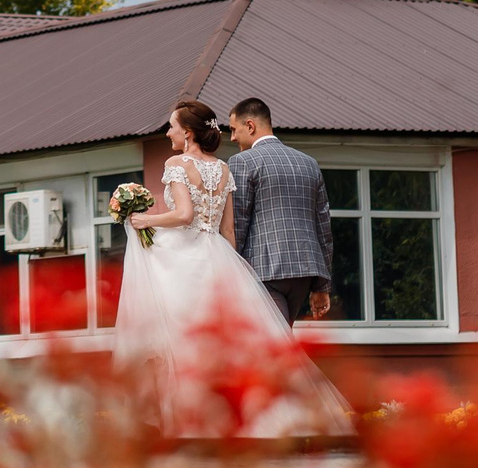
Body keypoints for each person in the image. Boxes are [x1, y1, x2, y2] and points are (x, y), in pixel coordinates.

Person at [111, 100, 350, 438]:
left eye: (172, 126)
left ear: (188, 132)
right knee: (247, 345)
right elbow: (231, 232)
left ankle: (195, 423)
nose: (168, 132)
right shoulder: (228, 168)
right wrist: (236, 272)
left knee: (186, 340)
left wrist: (142, 220)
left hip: (202, 260)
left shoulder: (185, 163)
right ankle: (263, 416)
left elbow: (185, 216)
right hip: (233, 258)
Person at [226, 97, 333, 324]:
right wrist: (322, 285)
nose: (232, 137)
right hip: (305, 270)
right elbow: (323, 226)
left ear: (250, 126)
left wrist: (230, 274)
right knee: (278, 343)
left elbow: (238, 223)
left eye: (234, 130)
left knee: (276, 349)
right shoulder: (309, 163)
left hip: (263, 270)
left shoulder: (242, 162)